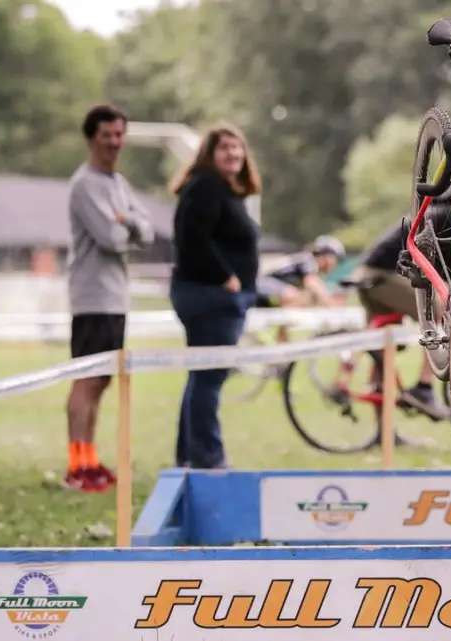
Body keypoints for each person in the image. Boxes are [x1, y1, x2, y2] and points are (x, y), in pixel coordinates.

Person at [346, 175, 451, 420]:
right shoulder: (447, 216)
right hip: (384, 275)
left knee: (384, 347)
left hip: (371, 274)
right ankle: (424, 388)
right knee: (444, 311)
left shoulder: (435, 211)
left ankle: (383, 430)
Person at [64, 104, 155, 492]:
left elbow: (147, 232)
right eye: (107, 135)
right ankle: (75, 465)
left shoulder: (119, 183)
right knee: (85, 380)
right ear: (92, 138)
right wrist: (126, 226)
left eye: (119, 135)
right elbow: (110, 238)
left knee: (102, 381)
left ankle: (91, 459)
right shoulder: (84, 184)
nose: (115, 142)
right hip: (92, 297)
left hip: (116, 298)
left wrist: (129, 221)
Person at [168, 123, 262, 469]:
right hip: (209, 298)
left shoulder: (227, 192)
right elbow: (191, 237)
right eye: (224, 148)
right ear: (209, 154)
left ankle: (189, 455)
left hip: (222, 299)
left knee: (202, 375)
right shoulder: (205, 187)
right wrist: (226, 277)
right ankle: (208, 456)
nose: (233, 154)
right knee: (209, 376)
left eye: (237, 148)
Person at [255, 235, 347, 343]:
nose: (335, 265)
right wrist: (330, 305)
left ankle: (282, 338)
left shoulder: (309, 265)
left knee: (303, 300)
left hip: (267, 289)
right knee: (296, 296)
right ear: (327, 257)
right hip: (262, 286)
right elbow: (313, 285)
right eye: (336, 260)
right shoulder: (308, 260)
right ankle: (281, 339)